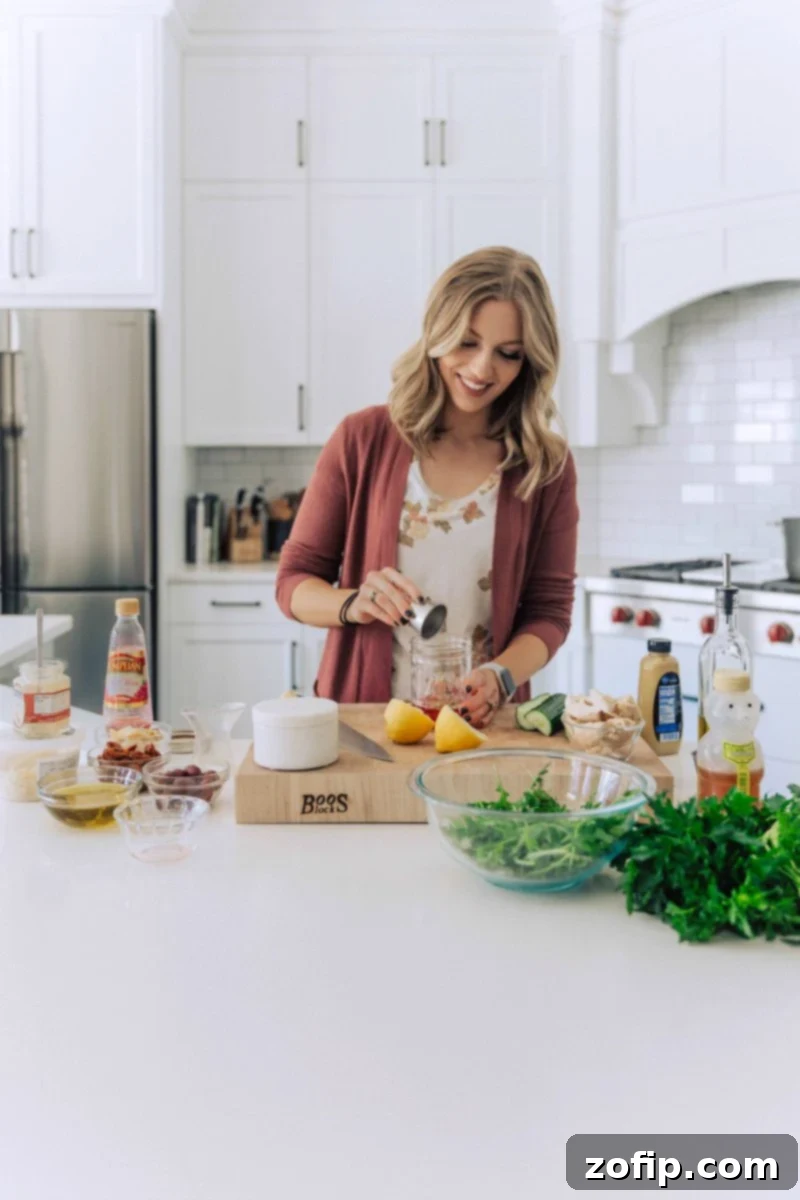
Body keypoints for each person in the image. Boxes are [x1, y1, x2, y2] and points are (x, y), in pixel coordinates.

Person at [276, 246, 578, 728]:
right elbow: (293, 583)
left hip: (479, 728)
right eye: (466, 342)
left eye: (508, 354)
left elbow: (549, 612)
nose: (482, 369)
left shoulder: (545, 466)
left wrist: (501, 676)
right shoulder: (363, 439)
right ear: (437, 331)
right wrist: (354, 604)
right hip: (365, 721)